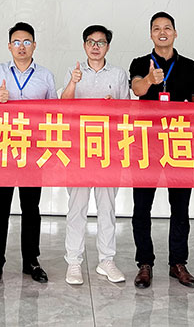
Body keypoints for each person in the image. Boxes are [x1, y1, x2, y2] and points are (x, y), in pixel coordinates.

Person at [128, 12, 194, 289]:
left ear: (175, 33)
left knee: (180, 207)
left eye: (167, 28)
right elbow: (137, 89)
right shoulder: (139, 62)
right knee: (141, 207)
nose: (162, 32)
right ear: (150, 34)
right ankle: (144, 263)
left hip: (180, 144)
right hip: (146, 144)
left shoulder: (190, 66)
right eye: (157, 28)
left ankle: (178, 263)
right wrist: (150, 80)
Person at [0, 22, 57, 284]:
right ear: (9, 46)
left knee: (31, 208)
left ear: (34, 45)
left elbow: (55, 112)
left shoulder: (45, 75)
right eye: (16, 42)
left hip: (33, 150)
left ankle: (31, 261)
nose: (21, 47)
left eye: (26, 42)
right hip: (3, 148)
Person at [60, 25, 130, 286]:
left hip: (108, 150)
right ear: (84, 45)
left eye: (101, 42)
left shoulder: (119, 74)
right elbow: (62, 105)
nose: (95, 47)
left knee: (107, 207)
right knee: (77, 207)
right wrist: (73, 82)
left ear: (108, 46)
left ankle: (106, 260)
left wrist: (114, 106)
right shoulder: (73, 71)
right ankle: (74, 262)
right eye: (91, 42)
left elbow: (127, 111)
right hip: (78, 149)